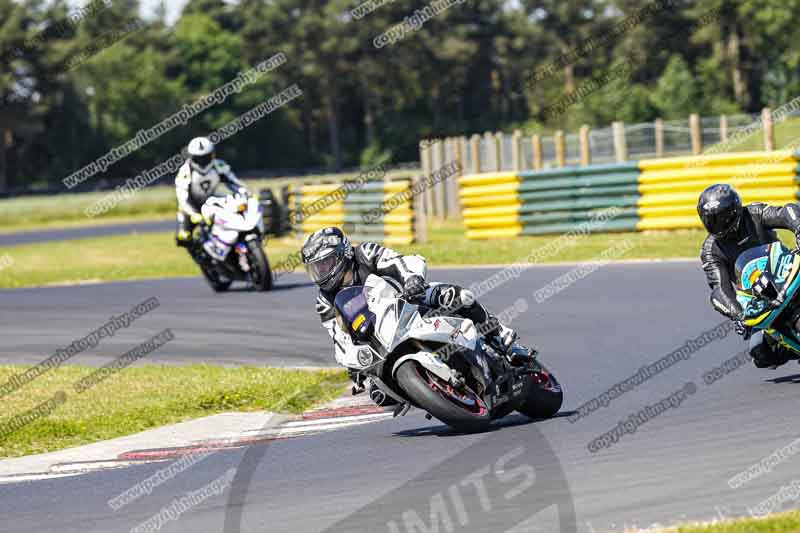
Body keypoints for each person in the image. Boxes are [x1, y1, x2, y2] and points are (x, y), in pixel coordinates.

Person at [301, 227, 519, 375]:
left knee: (458, 296)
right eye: (316, 269)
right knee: (377, 390)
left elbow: (402, 261)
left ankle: (499, 336)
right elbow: (338, 338)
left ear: (343, 253)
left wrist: (412, 280)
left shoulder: (365, 254)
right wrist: (353, 364)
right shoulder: (324, 301)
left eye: (325, 264)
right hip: (378, 338)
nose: (321, 273)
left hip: (408, 299)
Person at [698, 183, 800, 368]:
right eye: (711, 220)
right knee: (759, 353)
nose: (717, 225)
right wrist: (738, 314)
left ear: (734, 211)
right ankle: (791, 348)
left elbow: (787, 212)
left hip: (784, 269)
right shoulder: (710, 251)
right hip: (756, 296)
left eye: (721, 218)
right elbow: (719, 290)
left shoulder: (754, 213)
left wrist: (798, 230)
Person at [174, 137, 248, 246]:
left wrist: (245, 193)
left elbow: (234, 182)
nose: (203, 161)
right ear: (192, 157)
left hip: (211, 203)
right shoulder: (185, 171)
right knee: (183, 237)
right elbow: (182, 197)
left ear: (212, 154)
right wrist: (194, 214)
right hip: (191, 207)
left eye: (206, 157)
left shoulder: (219, 166)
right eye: (199, 158)